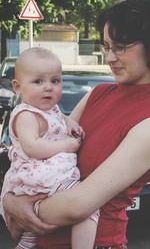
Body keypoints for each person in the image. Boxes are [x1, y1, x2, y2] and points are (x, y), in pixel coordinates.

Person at [2, 0, 150, 249]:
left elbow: (78, 205)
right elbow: (39, 153)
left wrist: (19, 206)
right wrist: (9, 201)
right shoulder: (97, 94)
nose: (110, 57)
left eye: (120, 46)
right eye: (106, 46)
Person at [0, 47, 99, 249]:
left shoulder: (48, 108)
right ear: (18, 87)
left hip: (48, 177)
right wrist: (66, 146)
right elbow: (32, 148)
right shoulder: (26, 116)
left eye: (55, 81)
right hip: (41, 177)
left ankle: (25, 242)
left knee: (32, 228)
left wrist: (69, 121)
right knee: (88, 208)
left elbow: (58, 118)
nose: (48, 88)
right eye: (38, 81)